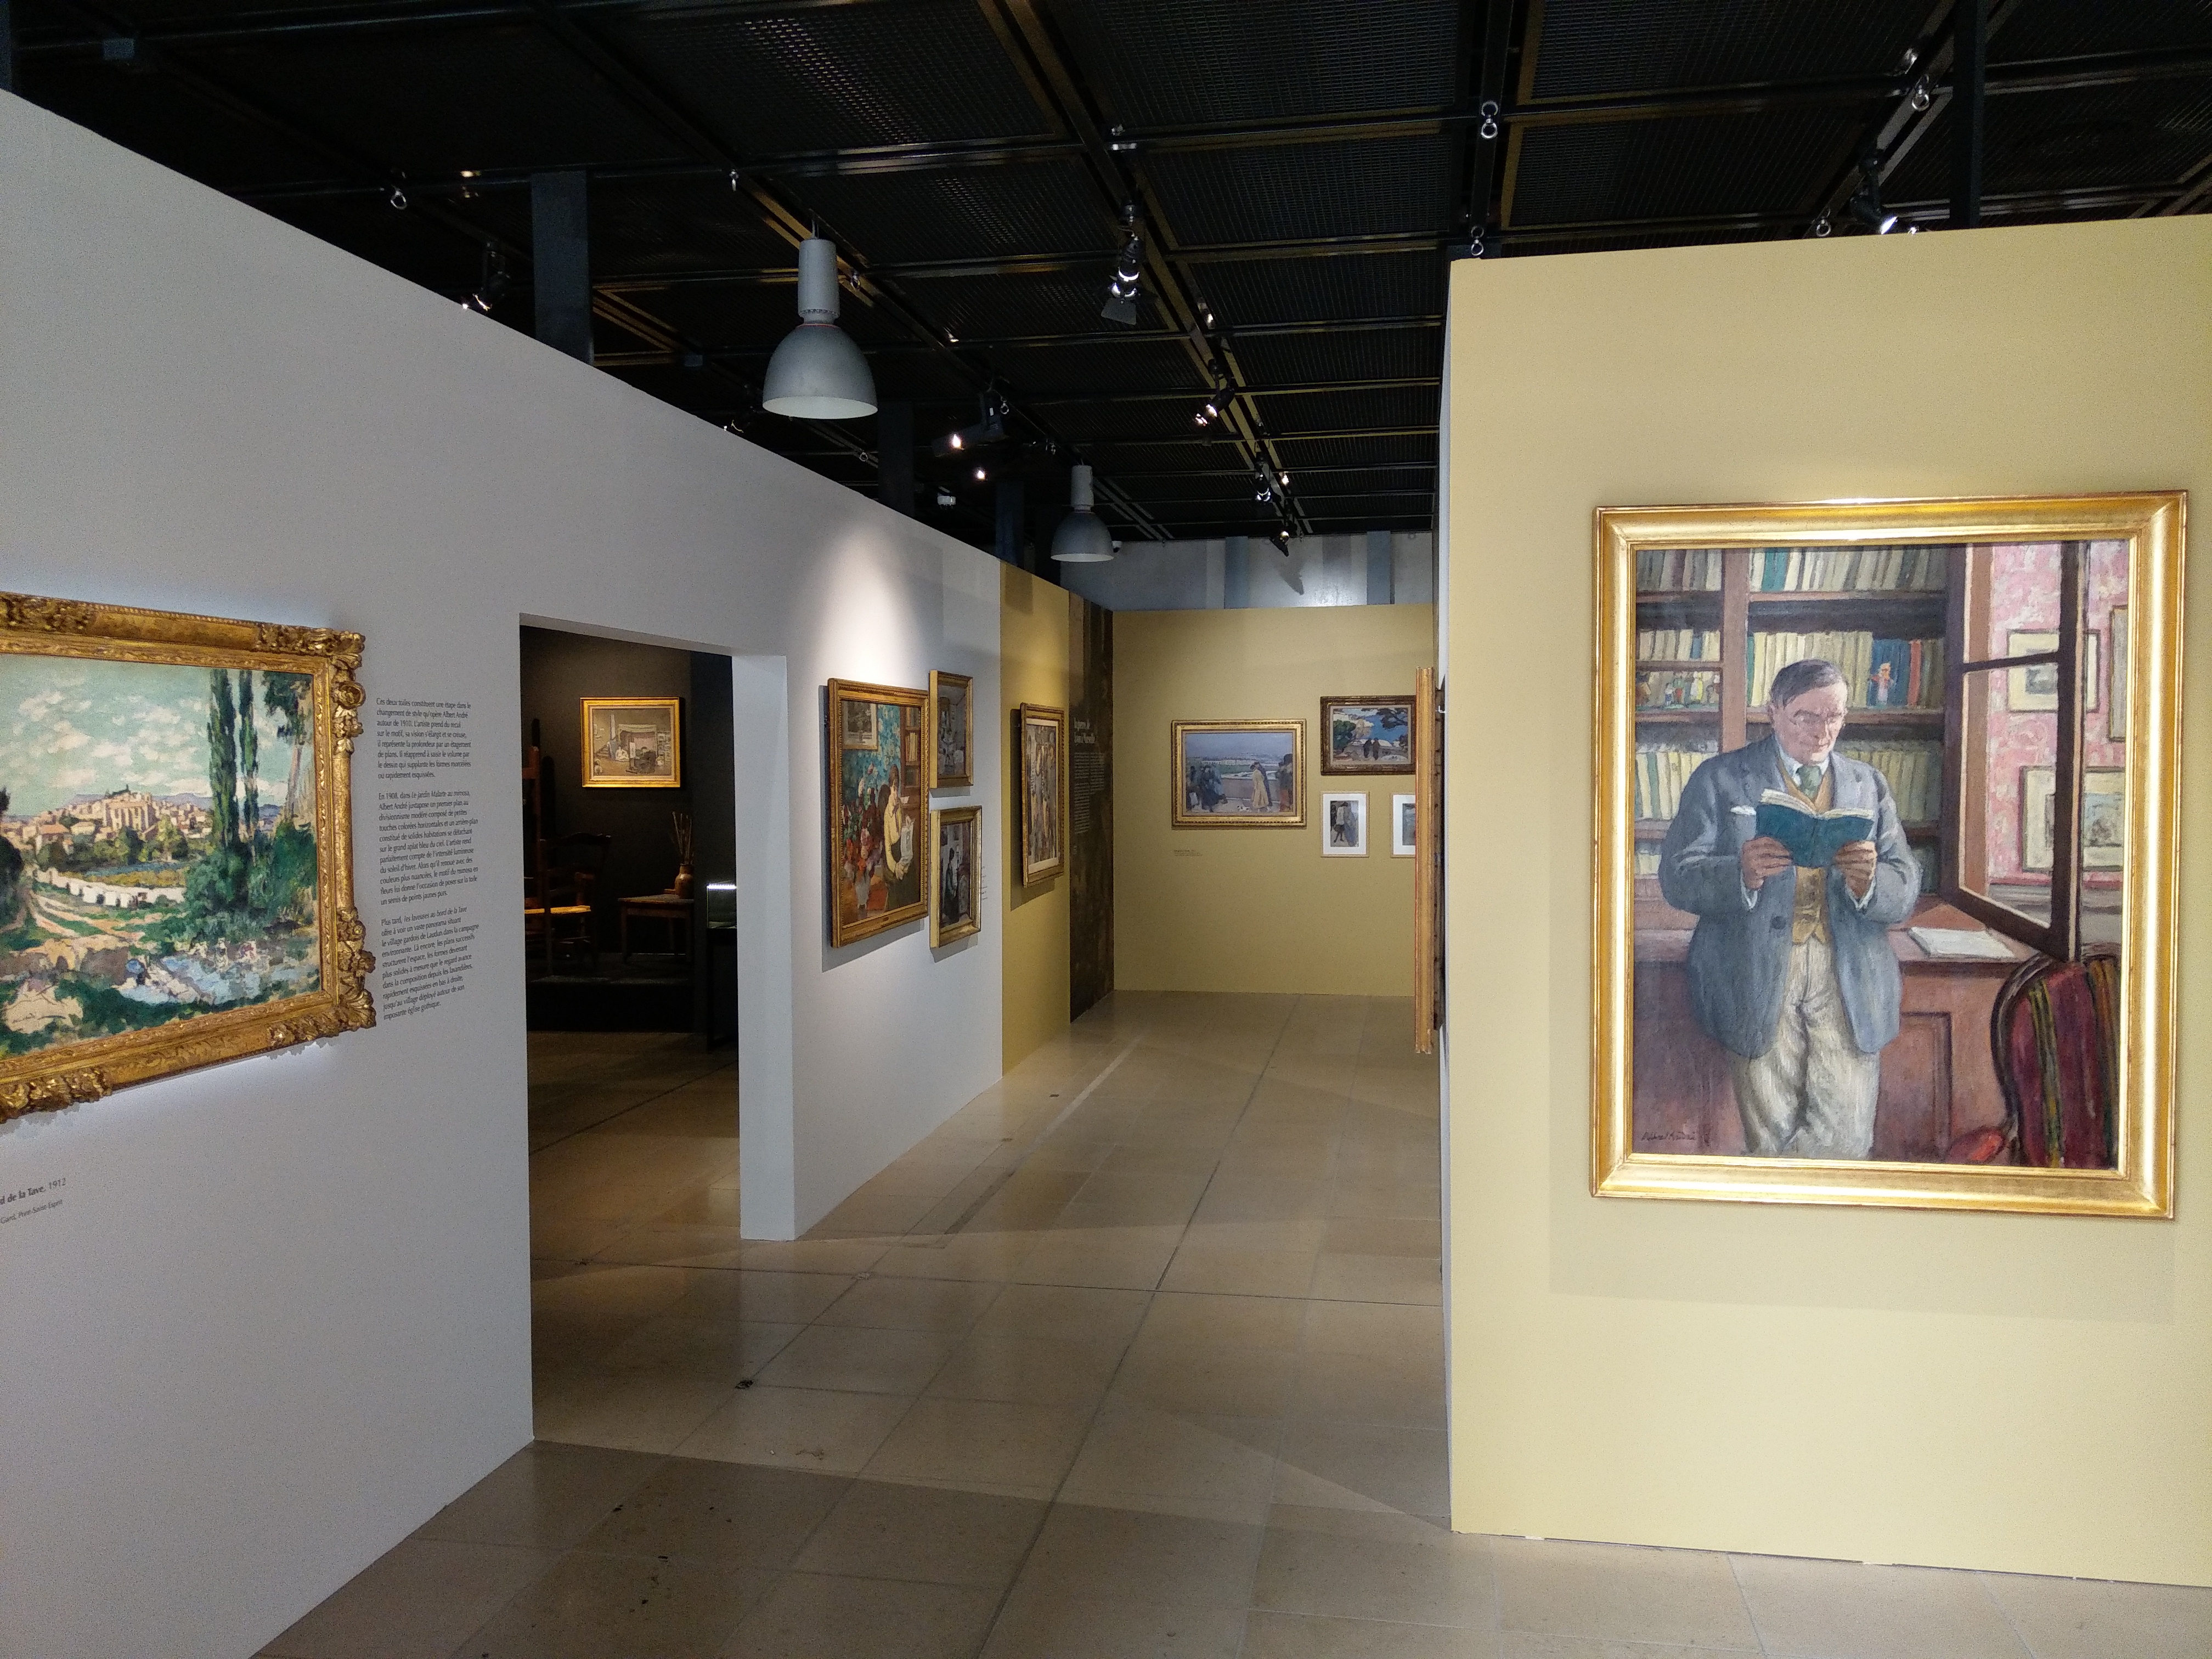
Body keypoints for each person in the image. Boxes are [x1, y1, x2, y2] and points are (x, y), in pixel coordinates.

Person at [1657, 658, 1920, 1158]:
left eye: (1834, 717)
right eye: (1806, 717)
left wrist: (1870, 882)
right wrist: (1740, 872)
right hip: (1752, 968)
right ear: (1773, 712)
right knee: (1770, 1134)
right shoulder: (1720, 778)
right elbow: (1676, 876)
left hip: (1849, 972)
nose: (1822, 732)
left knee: (1846, 1135)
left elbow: (1905, 884)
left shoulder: (1869, 784)